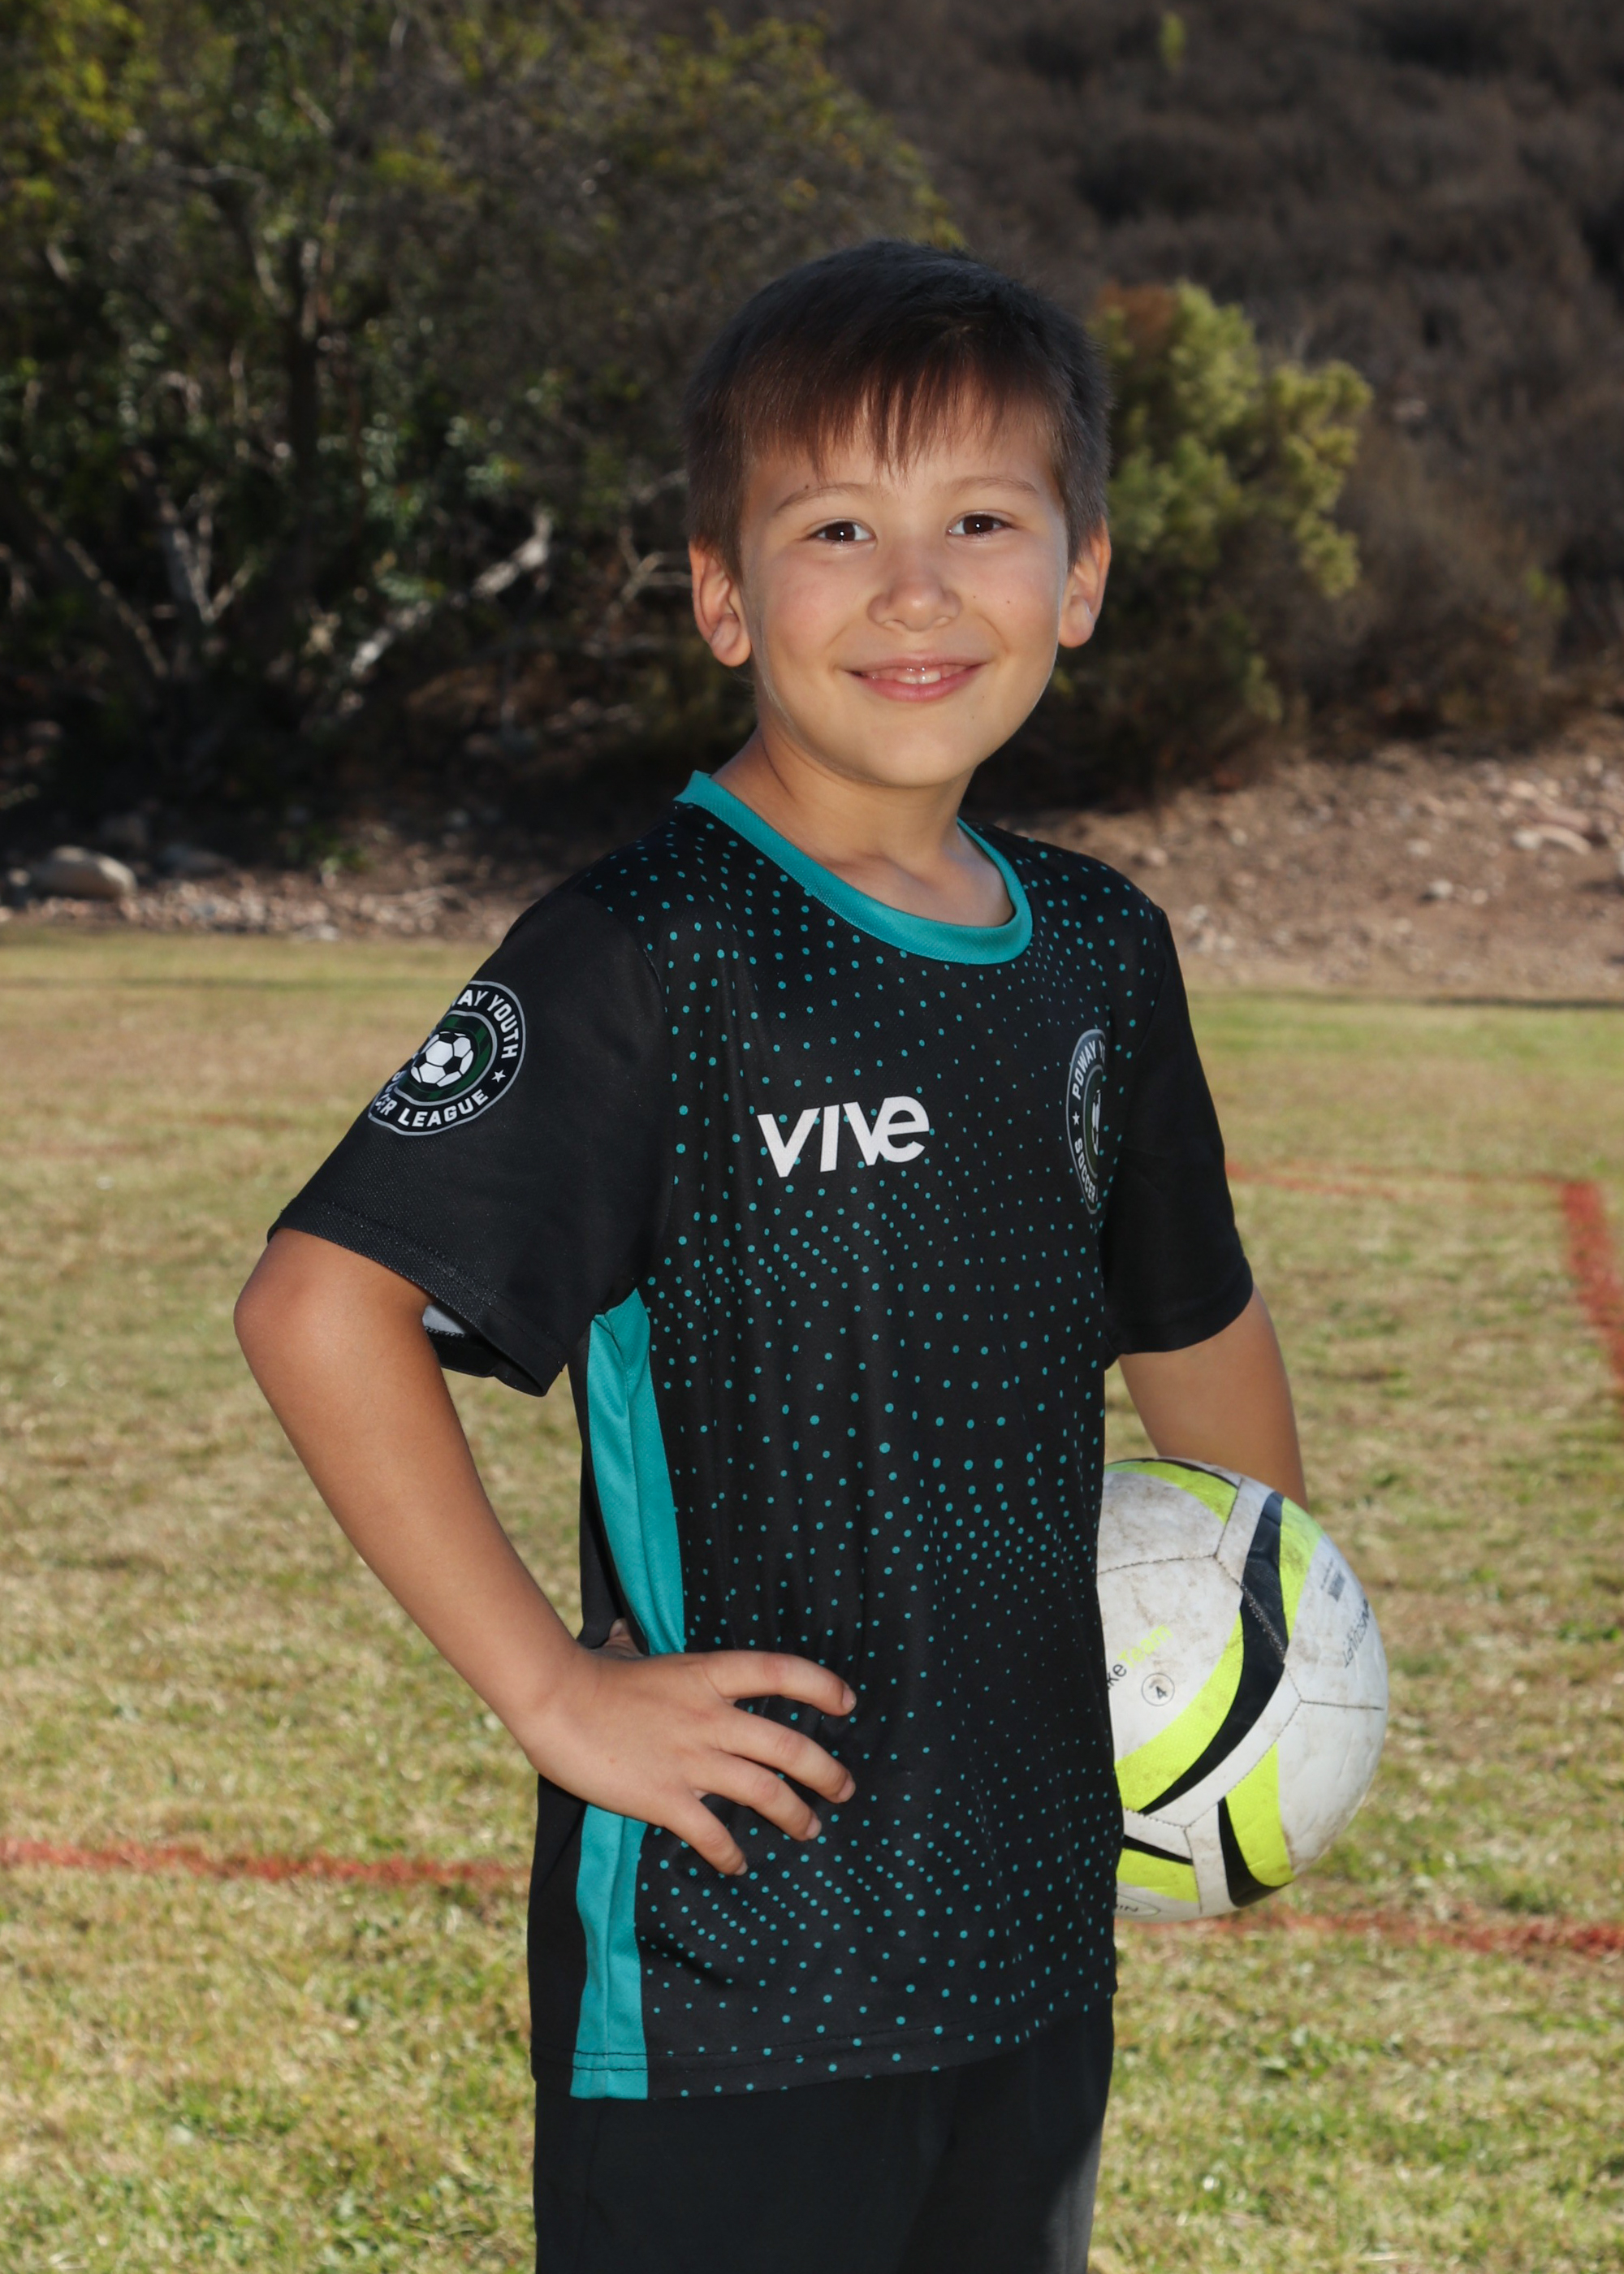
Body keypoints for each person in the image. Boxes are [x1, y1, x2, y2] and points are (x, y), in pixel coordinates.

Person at [235, 240, 1306, 2274]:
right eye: (835, 529)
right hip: (734, 1968)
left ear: (1079, 575)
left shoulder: (1098, 951)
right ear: (724, 595)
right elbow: (319, 1301)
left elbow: (1194, 1315)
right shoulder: (652, 949)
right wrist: (554, 1688)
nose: (914, 589)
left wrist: (1261, 1660)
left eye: (979, 521)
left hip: (1027, 1933)